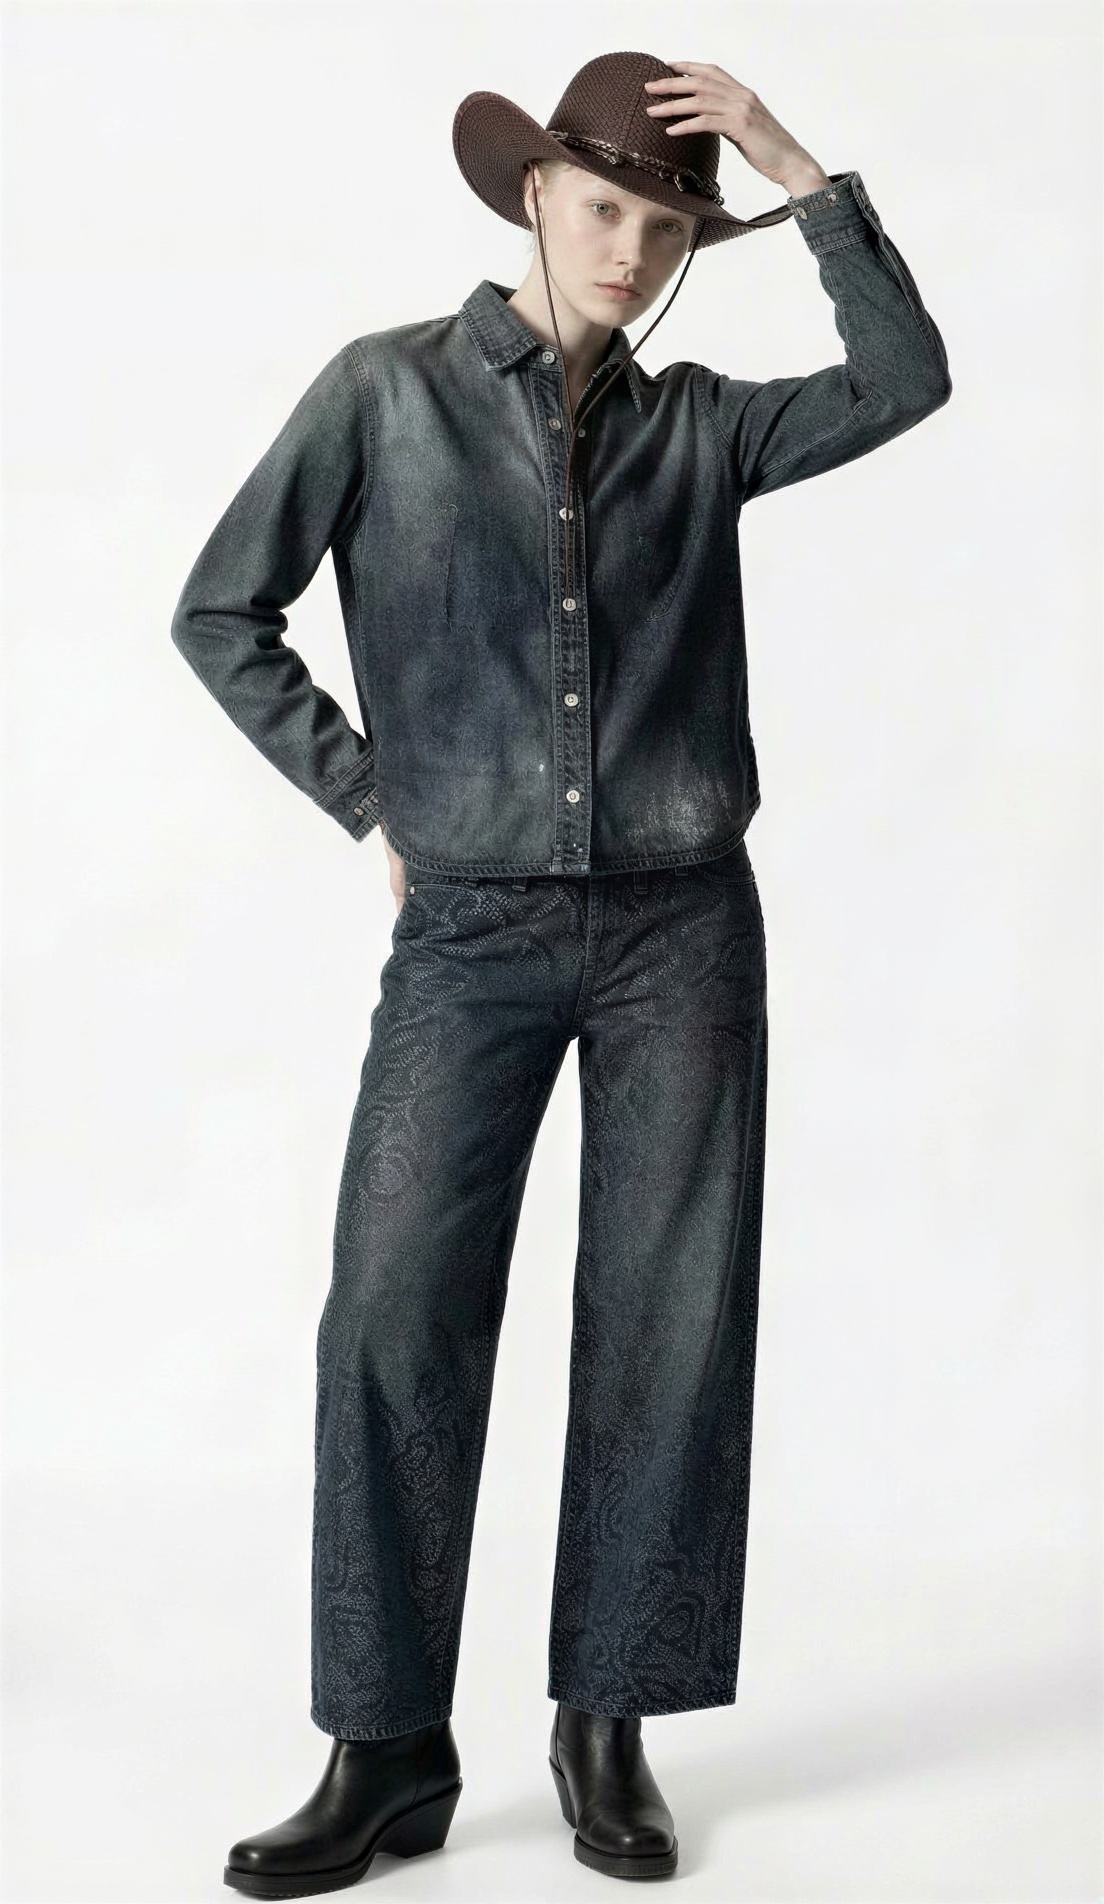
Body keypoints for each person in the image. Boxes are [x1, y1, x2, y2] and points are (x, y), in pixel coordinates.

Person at [170, 49, 951, 1896]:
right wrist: (375, 795)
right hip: (470, 931)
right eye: (605, 208)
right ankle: (384, 1748)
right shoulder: (382, 394)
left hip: (685, 923)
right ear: (536, 195)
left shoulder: (706, 429)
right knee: (392, 1317)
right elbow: (221, 610)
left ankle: (608, 1722)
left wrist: (785, 160)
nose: (629, 249)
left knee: (668, 1322)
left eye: (665, 229)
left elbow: (905, 378)